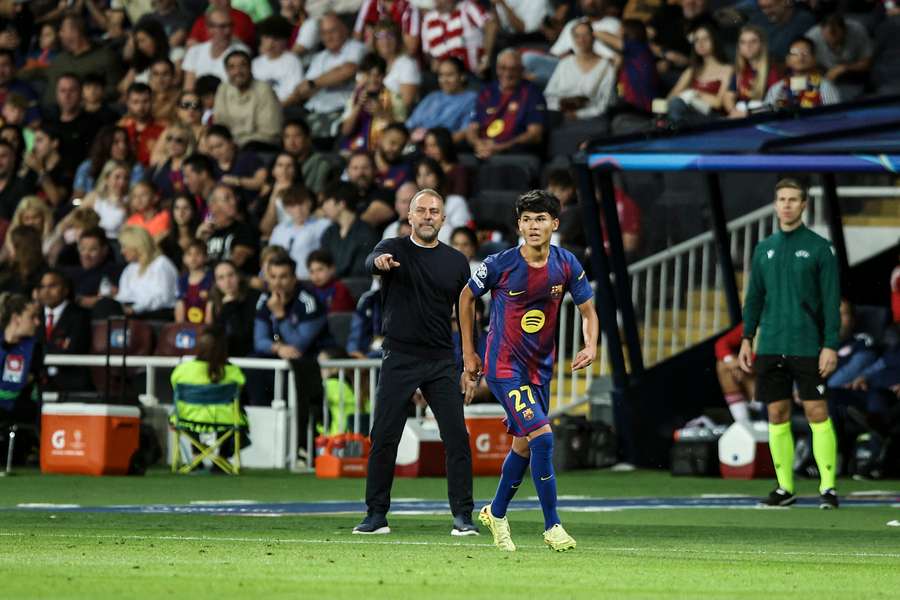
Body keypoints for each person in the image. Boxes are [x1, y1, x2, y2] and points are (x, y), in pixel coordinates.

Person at [459, 189, 598, 552]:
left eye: (540, 219)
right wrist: (469, 353)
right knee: (544, 437)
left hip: (540, 369)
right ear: (518, 225)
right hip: (504, 367)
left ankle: (496, 512)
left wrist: (591, 345)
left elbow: (588, 311)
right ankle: (552, 525)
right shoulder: (501, 263)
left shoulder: (566, 263)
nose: (533, 226)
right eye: (526, 219)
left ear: (554, 223)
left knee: (523, 445)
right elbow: (465, 296)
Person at [352, 188, 478, 536]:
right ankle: (376, 515)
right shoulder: (392, 248)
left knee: (456, 438)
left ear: (443, 218)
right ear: (409, 216)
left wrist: (470, 358)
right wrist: (377, 264)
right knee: (384, 436)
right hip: (400, 356)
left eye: (433, 211)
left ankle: (463, 517)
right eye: (420, 210)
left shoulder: (456, 261)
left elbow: (467, 314)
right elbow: (370, 261)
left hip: (440, 360)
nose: (427, 216)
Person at [738, 178, 841, 509]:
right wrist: (746, 338)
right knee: (776, 413)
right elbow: (754, 298)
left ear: (804, 205)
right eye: (781, 199)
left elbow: (831, 301)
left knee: (816, 410)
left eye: (793, 199)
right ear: (775, 203)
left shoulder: (819, 248)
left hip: (809, 344)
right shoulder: (763, 248)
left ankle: (828, 487)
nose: (786, 205)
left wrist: (830, 344)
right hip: (770, 343)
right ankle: (785, 488)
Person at [251, 254, 328, 456]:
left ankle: (301, 447)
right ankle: (260, 442)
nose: (278, 282)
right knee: (254, 366)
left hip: (311, 365)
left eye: (284, 276)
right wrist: (277, 348)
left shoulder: (309, 302)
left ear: (294, 278)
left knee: (297, 368)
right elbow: (259, 341)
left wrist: (279, 315)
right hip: (280, 361)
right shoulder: (264, 300)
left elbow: (298, 345)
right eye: (273, 277)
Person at [170, 324, 248, 471]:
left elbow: (175, 388)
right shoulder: (233, 371)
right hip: (225, 420)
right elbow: (240, 390)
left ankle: (196, 456)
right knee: (235, 412)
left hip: (187, 419)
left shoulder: (182, 369)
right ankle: (222, 459)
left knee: (189, 412)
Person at [287, 13, 367, 138]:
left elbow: (347, 71)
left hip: (340, 110)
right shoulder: (319, 57)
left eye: (332, 31)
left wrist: (314, 83)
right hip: (314, 111)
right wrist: (329, 78)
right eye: (324, 33)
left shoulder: (356, 47)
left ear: (345, 29)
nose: (328, 37)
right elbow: (303, 90)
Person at [465, 49, 546, 160]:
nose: (507, 74)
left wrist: (500, 147)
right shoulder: (486, 92)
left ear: (521, 70)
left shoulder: (532, 93)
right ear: (496, 68)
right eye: (503, 68)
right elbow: (472, 128)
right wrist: (478, 144)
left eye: (513, 69)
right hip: (485, 148)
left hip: (513, 152)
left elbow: (535, 134)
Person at [544, 19, 616, 121]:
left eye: (585, 35)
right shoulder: (565, 63)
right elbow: (549, 94)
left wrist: (578, 115)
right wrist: (560, 108)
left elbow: (606, 102)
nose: (582, 40)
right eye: (577, 36)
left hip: (591, 120)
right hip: (560, 117)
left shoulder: (606, 66)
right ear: (573, 39)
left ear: (593, 37)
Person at [213, 49, 283, 149]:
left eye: (242, 65)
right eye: (232, 67)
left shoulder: (264, 90)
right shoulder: (223, 89)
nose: (237, 71)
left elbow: (270, 133)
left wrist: (236, 143)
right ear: (226, 71)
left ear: (250, 67)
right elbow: (219, 125)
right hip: (229, 148)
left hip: (259, 148)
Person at [339, 53, 407, 155]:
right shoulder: (355, 96)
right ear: (363, 75)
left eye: (378, 75)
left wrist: (382, 113)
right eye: (369, 74)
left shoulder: (394, 97)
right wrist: (358, 106)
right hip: (354, 150)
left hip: (383, 152)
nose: (373, 80)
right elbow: (345, 131)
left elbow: (402, 133)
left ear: (384, 76)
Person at [36, 269, 91, 393]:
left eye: (52, 286)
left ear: (65, 290)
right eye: (42, 286)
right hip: (38, 384)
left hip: (70, 385)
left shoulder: (80, 316)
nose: (46, 291)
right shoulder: (34, 316)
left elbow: (74, 349)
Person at [665, 24, 732, 126]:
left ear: (714, 40)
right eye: (696, 40)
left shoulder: (728, 69)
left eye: (705, 39)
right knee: (674, 104)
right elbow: (670, 98)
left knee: (676, 107)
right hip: (687, 114)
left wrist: (695, 93)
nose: (700, 43)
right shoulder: (692, 70)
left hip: (712, 117)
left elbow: (719, 103)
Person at [406, 57, 476, 145]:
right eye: (441, 75)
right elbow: (410, 124)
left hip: (443, 147)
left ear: (462, 76)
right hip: (416, 143)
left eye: (449, 75)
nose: (444, 80)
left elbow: (465, 131)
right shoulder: (433, 96)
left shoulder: (471, 99)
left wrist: (434, 146)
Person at [0, 292, 42, 433]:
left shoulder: (35, 348)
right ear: (16, 318)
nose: (37, 322)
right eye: (32, 317)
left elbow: (17, 386)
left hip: (19, 414)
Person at [115, 225, 180, 317]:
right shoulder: (130, 269)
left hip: (158, 314)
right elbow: (124, 296)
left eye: (124, 247)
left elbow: (163, 298)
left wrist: (135, 309)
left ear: (137, 245)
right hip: (134, 313)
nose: (122, 252)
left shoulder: (161, 264)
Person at [268, 184, 330, 279]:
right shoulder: (279, 230)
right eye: (292, 206)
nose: (298, 209)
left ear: (309, 203)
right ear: (286, 209)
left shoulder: (323, 225)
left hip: (310, 280)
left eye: (301, 204)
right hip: (282, 281)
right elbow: (270, 256)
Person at [182, 8, 252, 92]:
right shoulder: (194, 51)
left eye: (229, 25)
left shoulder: (241, 51)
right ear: (209, 29)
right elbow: (188, 89)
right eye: (222, 27)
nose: (227, 31)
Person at [421, 0, 497, 76]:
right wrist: (432, 62)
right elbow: (427, 51)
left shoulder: (467, 7)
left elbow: (491, 26)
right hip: (443, 78)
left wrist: (486, 58)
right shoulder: (428, 19)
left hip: (471, 74)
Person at [320, 181, 379, 278]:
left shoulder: (366, 233)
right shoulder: (329, 233)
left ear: (341, 204)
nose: (323, 207)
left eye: (326, 201)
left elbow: (362, 271)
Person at [196, 184, 259, 276]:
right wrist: (198, 239)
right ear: (212, 205)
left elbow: (236, 262)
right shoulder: (205, 232)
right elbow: (193, 263)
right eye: (227, 199)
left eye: (233, 197)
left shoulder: (245, 229)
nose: (234, 202)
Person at [806, 14, 872, 100]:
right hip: (822, 73)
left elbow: (868, 62)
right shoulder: (812, 37)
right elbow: (805, 64)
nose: (833, 38)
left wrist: (843, 68)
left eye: (836, 33)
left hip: (854, 74)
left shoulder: (857, 30)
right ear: (821, 30)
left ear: (845, 30)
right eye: (829, 33)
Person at [764, 37, 840, 110]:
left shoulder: (825, 86)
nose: (800, 57)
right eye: (795, 53)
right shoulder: (777, 88)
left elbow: (835, 115)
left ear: (814, 59)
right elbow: (767, 116)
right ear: (787, 60)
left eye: (805, 53)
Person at [73, 126, 145, 199]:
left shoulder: (136, 168)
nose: (123, 146)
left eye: (125, 141)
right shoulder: (88, 166)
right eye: (116, 142)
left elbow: (134, 197)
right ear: (105, 143)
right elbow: (78, 195)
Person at [723, 25, 780, 119]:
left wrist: (748, 114)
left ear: (762, 44)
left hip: (763, 118)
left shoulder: (773, 71)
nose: (748, 46)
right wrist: (734, 111)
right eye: (743, 42)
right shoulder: (740, 70)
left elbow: (774, 104)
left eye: (753, 41)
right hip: (740, 116)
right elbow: (728, 96)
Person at [206, 259, 260, 356]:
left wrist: (230, 306)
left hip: (250, 354)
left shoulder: (253, 297)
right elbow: (216, 336)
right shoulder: (216, 303)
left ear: (238, 276)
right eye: (221, 278)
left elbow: (242, 335)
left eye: (231, 275)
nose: (227, 281)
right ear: (216, 283)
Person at [414, 157, 471, 244]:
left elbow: (461, 238)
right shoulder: (414, 206)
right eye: (419, 175)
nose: (423, 180)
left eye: (428, 174)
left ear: (438, 176)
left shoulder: (456, 202)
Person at [63, 227, 122, 311]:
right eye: (82, 249)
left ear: (104, 250)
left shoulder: (115, 272)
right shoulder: (68, 273)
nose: (86, 255)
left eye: (92, 250)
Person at [252, 15, 305, 104]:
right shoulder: (254, 64)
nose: (270, 44)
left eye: (276, 39)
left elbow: (295, 94)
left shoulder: (292, 61)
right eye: (266, 37)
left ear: (285, 40)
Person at [372, 19, 420, 110]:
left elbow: (407, 105)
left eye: (390, 35)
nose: (385, 41)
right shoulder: (374, 64)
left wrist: (381, 109)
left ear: (398, 39)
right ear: (375, 41)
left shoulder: (407, 64)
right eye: (380, 36)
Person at [81, 160, 132, 242]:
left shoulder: (130, 200)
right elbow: (76, 217)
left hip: (116, 242)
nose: (122, 182)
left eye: (126, 178)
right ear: (107, 178)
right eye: (117, 177)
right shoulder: (94, 196)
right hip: (92, 241)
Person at [715, 323, 756, 424]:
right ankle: (743, 423)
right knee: (723, 365)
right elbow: (721, 343)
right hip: (752, 382)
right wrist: (732, 362)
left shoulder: (778, 322)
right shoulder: (754, 322)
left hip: (773, 383)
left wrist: (740, 364)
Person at [118, 82, 165, 167]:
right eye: (135, 102)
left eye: (145, 101)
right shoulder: (121, 127)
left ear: (152, 101)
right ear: (128, 103)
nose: (140, 107)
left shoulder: (164, 128)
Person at [281, 119, 332, 198]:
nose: (291, 142)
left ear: (308, 139)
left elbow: (319, 195)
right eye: (287, 137)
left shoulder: (321, 164)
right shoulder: (278, 162)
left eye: (297, 136)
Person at [422, 127, 470, 198]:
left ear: (445, 145)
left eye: (434, 145)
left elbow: (458, 199)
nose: (429, 150)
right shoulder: (424, 170)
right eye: (427, 146)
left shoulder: (459, 171)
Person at [175, 240, 213, 324]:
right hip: (186, 323)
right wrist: (179, 326)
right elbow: (180, 304)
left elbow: (212, 303)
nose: (193, 258)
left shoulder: (211, 278)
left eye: (198, 254)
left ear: (206, 257)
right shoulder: (182, 280)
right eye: (189, 254)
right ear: (184, 258)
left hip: (205, 323)